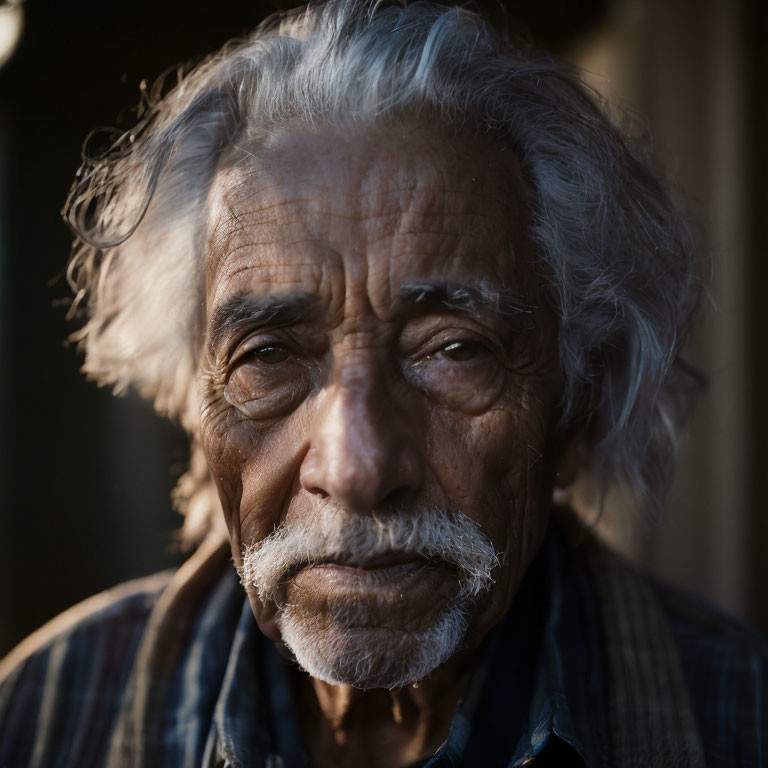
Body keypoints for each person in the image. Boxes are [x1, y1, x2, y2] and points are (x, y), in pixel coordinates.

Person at [1, 1, 765, 765]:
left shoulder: (738, 718)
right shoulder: (40, 714)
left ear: (576, 403)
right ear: (200, 420)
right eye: (267, 357)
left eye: (454, 350)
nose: (357, 468)